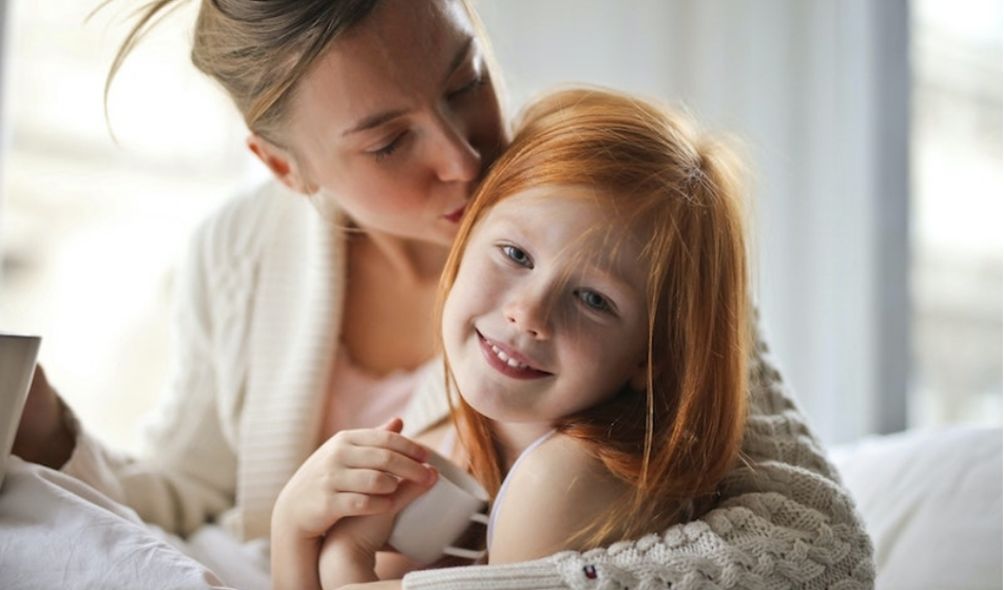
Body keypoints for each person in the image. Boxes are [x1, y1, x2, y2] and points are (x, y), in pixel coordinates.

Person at [13, 0, 874, 588]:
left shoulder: (609, 212)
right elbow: (186, 493)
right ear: (285, 166)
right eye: (389, 142)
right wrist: (47, 431)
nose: (466, 158)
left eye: (466, 80)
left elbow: (819, 541)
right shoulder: (238, 250)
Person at [295, 86, 753, 590]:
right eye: (515, 254)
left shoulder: (565, 481)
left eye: (594, 299)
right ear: (465, 236)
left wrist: (330, 555)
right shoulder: (461, 440)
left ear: (651, 359)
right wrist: (295, 528)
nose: (528, 314)